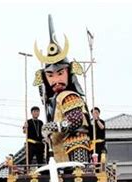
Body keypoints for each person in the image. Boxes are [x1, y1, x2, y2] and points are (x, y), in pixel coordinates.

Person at [35, 15, 92, 164]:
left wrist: (54, 126)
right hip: (59, 150)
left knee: (76, 173)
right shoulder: (52, 100)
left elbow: (75, 119)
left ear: (69, 72)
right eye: (50, 75)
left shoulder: (69, 95)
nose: (56, 80)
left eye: (60, 73)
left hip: (74, 144)